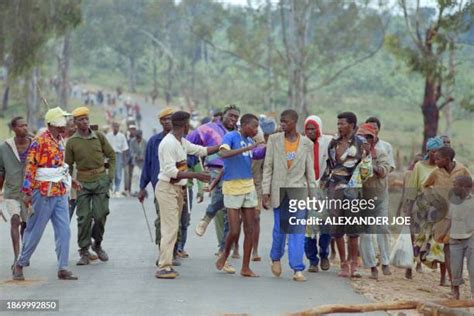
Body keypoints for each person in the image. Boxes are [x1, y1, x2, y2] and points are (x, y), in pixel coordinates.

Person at [12, 107, 78, 281]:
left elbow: (60, 166)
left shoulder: (60, 140)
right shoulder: (39, 142)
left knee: (64, 230)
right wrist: (27, 192)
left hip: (60, 191)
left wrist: (71, 180)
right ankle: (20, 263)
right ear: (52, 124)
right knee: (35, 231)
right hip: (43, 192)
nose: (65, 123)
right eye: (62, 120)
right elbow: (30, 167)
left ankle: (63, 267)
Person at [155, 111, 219, 279]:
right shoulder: (168, 143)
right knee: (169, 229)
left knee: (173, 228)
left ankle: (166, 262)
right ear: (185, 125)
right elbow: (171, 172)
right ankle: (163, 266)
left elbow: (201, 150)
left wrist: (221, 146)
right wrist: (197, 175)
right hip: (167, 188)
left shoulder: (181, 141)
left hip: (177, 189)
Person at [262, 109, 317, 282]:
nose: (282, 124)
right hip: (279, 191)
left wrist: (313, 196)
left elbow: (310, 172)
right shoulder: (274, 140)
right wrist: (265, 192)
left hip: (298, 191)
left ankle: (297, 268)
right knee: (280, 229)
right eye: (281, 121)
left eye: (285, 121)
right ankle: (276, 257)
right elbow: (268, 167)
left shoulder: (307, 143)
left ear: (294, 122)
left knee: (297, 230)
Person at [188, 104, 240, 271]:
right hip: (214, 170)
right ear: (223, 115)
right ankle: (207, 217)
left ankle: (223, 253)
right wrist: (191, 163)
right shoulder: (208, 129)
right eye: (231, 116)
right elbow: (188, 143)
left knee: (230, 214)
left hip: (233, 173)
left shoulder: (237, 134)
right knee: (222, 200)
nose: (233, 119)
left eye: (236, 117)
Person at [215, 114, 265, 277]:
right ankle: (225, 254)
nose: (256, 129)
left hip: (248, 186)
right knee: (235, 230)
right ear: (243, 125)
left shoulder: (251, 142)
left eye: (258, 127)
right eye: (254, 126)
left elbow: (258, 154)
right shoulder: (230, 136)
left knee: (249, 229)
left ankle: (245, 267)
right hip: (232, 187)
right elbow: (222, 154)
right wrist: (247, 149)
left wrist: (270, 144)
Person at [66, 106, 116, 265]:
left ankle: (98, 244)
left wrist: (110, 177)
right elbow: (67, 166)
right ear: (75, 123)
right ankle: (84, 251)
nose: (85, 122)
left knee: (101, 215)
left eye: (86, 119)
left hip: (101, 180)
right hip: (82, 184)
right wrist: (70, 183)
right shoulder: (72, 142)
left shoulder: (99, 137)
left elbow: (112, 155)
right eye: (81, 120)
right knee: (83, 217)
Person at [320, 112, 364, 278]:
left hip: (353, 189)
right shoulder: (333, 143)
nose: (339, 127)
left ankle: (354, 264)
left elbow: (366, 167)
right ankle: (343, 263)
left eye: (342, 124)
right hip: (334, 188)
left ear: (352, 125)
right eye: (338, 124)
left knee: (353, 228)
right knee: (337, 227)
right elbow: (329, 167)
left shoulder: (361, 144)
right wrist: (322, 186)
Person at [138, 107, 182, 265]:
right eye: (164, 120)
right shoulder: (153, 142)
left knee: (178, 221)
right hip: (161, 188)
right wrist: (142, 187)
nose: (167, 122)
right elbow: (148, 166)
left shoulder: (181, 139)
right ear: (160, 122)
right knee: (162, 220)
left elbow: (190, 160)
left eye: (170, 118)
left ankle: (175, 250)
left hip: (180, 186)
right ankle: (163, 253)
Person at [422, 146, 471, 286]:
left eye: (438, 159)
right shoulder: (436, 173)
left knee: (459, 247)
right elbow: (425, 186)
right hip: (443, 215)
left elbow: (471, 186)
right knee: (446, 247)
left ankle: (455, 278)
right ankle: (451, 280)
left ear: (447, 159)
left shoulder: (462, 170)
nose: (434, 160)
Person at [403, 136, 444, 279]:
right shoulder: (419, 166)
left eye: (438, 151)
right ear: (428, 151)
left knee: (432, 238)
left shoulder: (442, 167)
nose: (436, 154)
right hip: (421, 205)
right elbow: (412, 188)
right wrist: (407, 210)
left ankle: (423, 258)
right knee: (417, 238)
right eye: (433, 151)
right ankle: (411, 265)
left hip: (437, 208)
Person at [356, 123, 392, 280]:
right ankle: (372, 267)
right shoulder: (353, 154)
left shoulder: (381, 153)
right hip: (362, 197)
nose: (366, 140)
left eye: (369, 137)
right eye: (362, 137)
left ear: (374, 138)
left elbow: (384, 171)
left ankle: (385, 262)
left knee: (383, 228)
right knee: (365, 234)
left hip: (380, 196)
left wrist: (369, 163)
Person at [0, 117, 32, 268]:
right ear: (14, 128)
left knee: (26, 225)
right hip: (12, 192)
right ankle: (16, 258)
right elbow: (1, 172)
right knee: (15, 220)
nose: (25, 128)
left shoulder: (34, 145)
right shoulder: (4, 147)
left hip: (29, 194)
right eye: (21, 126)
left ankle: (24, 253)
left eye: (26, 125)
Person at [302, 115, 333, 273]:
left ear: (319, 128)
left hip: (325, 188)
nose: (310, 132)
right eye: (307, 129)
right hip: (307, 189)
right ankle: (312, 260)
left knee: (325, 225)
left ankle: (324, 254)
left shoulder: (328, 142)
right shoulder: (302, 143)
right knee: (309, 227)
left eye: (313, 128)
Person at [251, 117, 276, 261]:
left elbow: (268, 171)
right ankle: (234, 247)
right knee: (239, 219)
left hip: (257, 184)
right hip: (242, 182)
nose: (266, 138)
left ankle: (255, 250)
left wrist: (267, 193)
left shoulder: (270, 146)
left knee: (256, 217)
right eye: (265, 135)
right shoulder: (251, 141)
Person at [447, 176, 473, 299]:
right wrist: (442, 234)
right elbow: (448, 219)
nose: (453, 187)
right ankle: (455, 291)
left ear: (464, 188)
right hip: (454, 238)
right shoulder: (452, 201)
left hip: (470, 237)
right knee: (455, 267)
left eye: (455, 185)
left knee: (472, 267)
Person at [106, 122, 128, 196]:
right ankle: (110, 188)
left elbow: (124, 149)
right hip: (110, 155)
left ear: (119, 128)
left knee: (118, 173)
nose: (116, 128)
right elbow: (105, 146)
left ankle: (117, 189)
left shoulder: (122, 136)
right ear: (112, 127)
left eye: (117, 127)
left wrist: (124, 161)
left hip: (118, 155)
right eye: (114, 127)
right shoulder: (108, 136)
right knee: (110, 172)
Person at [129, 129, 147, 195]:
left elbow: (147, 152)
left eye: (139, 137)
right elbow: (131, 151)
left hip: (143, 163)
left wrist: (143, 158)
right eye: (137, 137)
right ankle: (133, 191)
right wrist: (136, 156)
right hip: (136, 162)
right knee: (135, 175)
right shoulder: (132, 141)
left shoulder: (145, 142)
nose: (138, 139)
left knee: (142, 177)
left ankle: (142, 190)